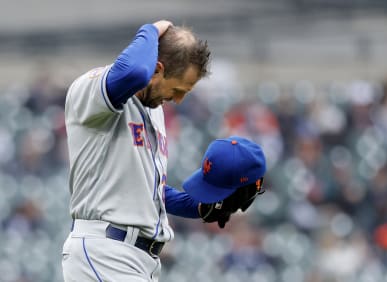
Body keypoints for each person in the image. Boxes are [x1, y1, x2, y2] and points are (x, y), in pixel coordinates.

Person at [61, 19, 265, 281]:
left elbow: (148, 191)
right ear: (156, 69)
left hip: (136, 258)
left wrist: (203, 206)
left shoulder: (153, 109)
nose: (178, 99)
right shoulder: (92, 89)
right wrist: (151, 29)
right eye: (178, 89)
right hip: (105, 253)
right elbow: (133, 72)